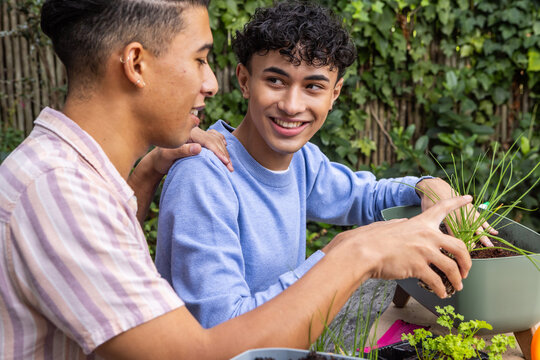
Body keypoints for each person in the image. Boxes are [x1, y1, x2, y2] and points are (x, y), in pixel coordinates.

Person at [0, 0, 473, 359]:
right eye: (201, 58)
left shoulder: (78, 182)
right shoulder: (60, 193)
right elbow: (206, 350)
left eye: (312, 86)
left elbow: (363, 192)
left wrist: (143, 178)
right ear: (136, 64)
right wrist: (351, 253)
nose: (211, 83)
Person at [155, 1, 493, 330]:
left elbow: (367, 197)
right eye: (276, 81)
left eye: (313, 86)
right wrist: (341, 258)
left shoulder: (302, 163)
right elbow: (220, 329)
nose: (291, 105)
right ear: (244, 80)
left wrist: (429, 185)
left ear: (334, 94)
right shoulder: (202, 176)